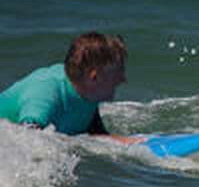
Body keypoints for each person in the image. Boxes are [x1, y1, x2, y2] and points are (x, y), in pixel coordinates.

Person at [0, 32, 139, 142]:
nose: (123, 79)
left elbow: (97, 136)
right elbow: (25, 139)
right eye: (118, 72)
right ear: (94, 77)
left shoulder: (87, 94)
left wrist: (133, 142)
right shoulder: (46, 94)